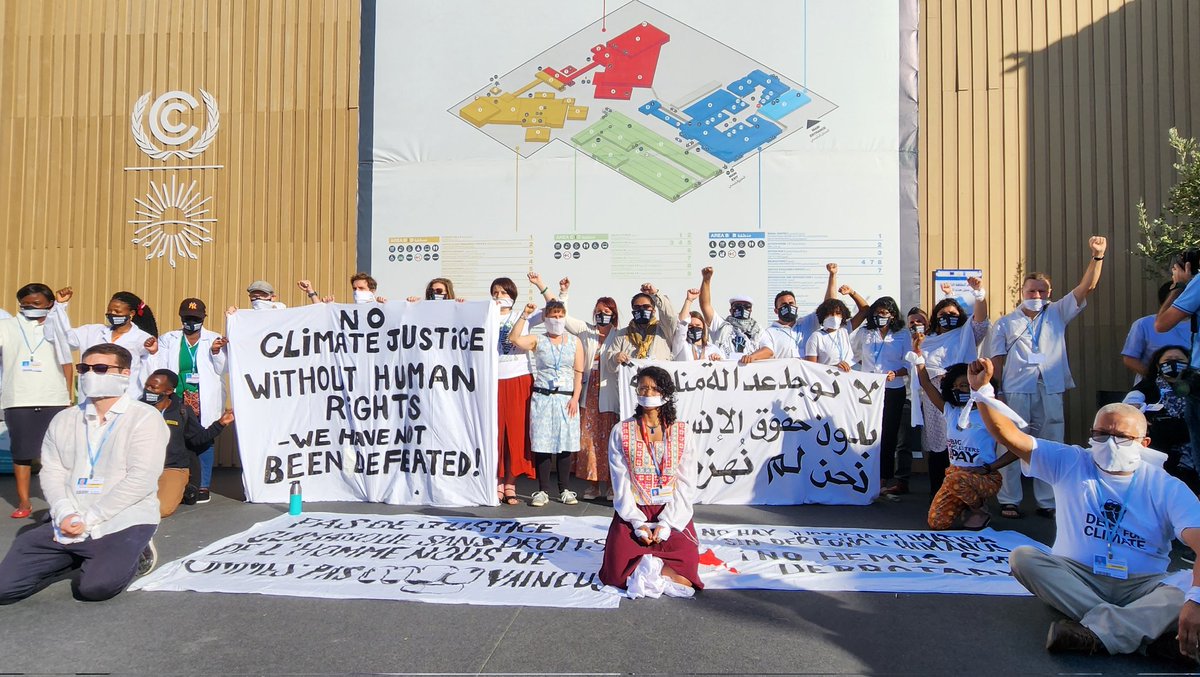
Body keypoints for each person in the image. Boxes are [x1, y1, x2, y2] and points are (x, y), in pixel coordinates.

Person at [969, 357, 1200, 662]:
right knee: (1023, 558)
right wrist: (983, 392)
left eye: (1122, 437)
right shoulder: (1072, 461)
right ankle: (1142, 637)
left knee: (1187, 589)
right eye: (1101, 434)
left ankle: (1095, 632)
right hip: (1078, 576)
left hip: (1143, 585)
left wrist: (1194, 601)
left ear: (1144, 442)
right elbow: (1010, 437)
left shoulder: (1166, 486)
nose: (1110, 442)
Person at [0, 343, 169, 603]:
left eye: (100, 368)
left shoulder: (144, 418)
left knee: (95, 589)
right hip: (69, 519)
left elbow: (141, 479)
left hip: (121, 519)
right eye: (84, 368)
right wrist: (64, 511)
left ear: (124, 375)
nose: (89, 374)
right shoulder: (64, 419)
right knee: (4, 588)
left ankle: (138, 550)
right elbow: (52, 471)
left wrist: (90, 518)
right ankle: (77, 554)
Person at [986, 236, 1107, 519]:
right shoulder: (1006, 322)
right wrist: (999, 391)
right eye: (1032, 291)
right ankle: (1009, 499)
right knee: (1011, 442)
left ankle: (1047, 501)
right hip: (1016, 390)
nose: (1037, 295)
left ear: (1049, 292)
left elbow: (1086, 287)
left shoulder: (1057, 312)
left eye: (1042, 291)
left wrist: (1097, 257)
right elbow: (997, 359)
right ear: (1022, 293)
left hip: (1050, 388)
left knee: (1050, 444)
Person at [599, 365, 702, 596]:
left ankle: (652, 566)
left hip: (672, 508)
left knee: (687, 576)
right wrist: (636, 522)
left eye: (654, 389)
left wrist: (667, 523)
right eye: (643, 388)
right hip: (634, 507)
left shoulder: (682, 431)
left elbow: (686, 482)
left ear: (665, 393)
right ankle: (649, 564)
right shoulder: (621, 430)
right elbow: (620, 481)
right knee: (615, 575)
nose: (647, 393)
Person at [911, 350, 1016, 529]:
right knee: (937, 522)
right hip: (955, 476)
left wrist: (989, 467)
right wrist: (918, 356)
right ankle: (963, 504)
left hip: (984, 476)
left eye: (965, 385)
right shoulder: (952, 412)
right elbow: (927, 385)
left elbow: (1017, 449)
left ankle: (979, 509)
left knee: (957, 480)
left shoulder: (990, 415)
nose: (961, 390)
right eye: (957, 386)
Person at [910, 276, 991, 496]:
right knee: (938, 448)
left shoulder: (967, 333)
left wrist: (979, 293)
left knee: (962, 443)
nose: (948, 318)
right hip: (934, 397)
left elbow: (982, 319)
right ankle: (938, 494)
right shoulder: (927, 339)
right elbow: (920, 366)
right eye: (943, 315)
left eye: (953, 315)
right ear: (936, 319)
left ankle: (965, 495)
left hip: (962, 395)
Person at [0, 283, 72, 519]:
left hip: (54, 398)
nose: (30, 308)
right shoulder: (7, 326)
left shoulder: (56, 326)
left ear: (49, 304)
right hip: (18, 398)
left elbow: (67, 362)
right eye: (25, 304)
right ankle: (24, 501)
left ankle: (60, 503)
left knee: (56, 455)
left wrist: (67, 395)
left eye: (36, 304)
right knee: (21, 453)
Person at [146, 299, 228, 504]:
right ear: (181, 318)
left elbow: (223, 369)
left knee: (204, 438)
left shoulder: (213, 339)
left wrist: (216, 352)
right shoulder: (169, 339)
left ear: (203, 319)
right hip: (178, 395)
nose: (191, 322)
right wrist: (154, 352)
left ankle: (203, 485)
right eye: (187, 318)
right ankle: (182, 482)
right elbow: (160, 368)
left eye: (196, 319)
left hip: (202, 396)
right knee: (177, 437)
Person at [509, 300, 584, 507]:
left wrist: (575, 397)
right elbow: (514, 339)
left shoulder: (574, 341)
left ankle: (565, 489)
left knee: (564, 444)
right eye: (553, 316)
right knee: (542, 444)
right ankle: (542, 490)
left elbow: (579, 372)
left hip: (566, 398)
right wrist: (524, 315)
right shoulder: (538, 340)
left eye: (560, 316)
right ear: (546, 318)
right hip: (543, 397)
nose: (557, 320)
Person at [141, 369, 234, 517]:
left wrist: (221, 423)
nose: (148, 390)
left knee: (161, 509)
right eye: (147, 386)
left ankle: (182, 488)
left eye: (154, 387)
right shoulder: (136, 408)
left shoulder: (182, 411)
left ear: (169, 391)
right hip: (141, 467)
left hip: (172, 468)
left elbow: (198, 439)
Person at [559, 282, 620, 500]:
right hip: (589, 394)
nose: (601, 314)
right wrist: (563, 293)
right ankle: (593, 485)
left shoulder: (620, 334)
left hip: (610, 395)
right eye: (598, 311)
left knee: (610, 441)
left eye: (606, 311)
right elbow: (562, 318)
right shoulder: (586, 331)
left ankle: (613, 485)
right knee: (589, 440)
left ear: (613, 314)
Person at [45, 290, 158, 399]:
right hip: (91, 398)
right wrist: (59, 306)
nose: (112, 314)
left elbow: (149, 370)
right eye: (110, 311)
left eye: (117, 312)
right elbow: (59, 337)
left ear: (131, 313)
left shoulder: (142, 338)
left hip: (126, 398)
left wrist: (153, 352)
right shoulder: (92, 331)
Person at [851, 296, 912, 495]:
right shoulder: (865, 333)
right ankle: (864, 474)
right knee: (867, 431)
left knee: (887, 434)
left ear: (892, 315)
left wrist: (897, 373)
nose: (880, 316)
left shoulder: (903, 335)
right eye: (876, 313)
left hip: (893, 389)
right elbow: (852, 355)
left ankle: (883, 477)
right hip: (868, 390)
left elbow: (909, 363)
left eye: (884, 313)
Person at [1123, 346, 1194, 484]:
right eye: (1168, 360)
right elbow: (1128, 407)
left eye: (1179, 360)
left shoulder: (1195, 387)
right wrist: (1135, 412)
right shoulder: (1146, 387)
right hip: (1158, 454)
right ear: (1158, 364)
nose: (1173, 363)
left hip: (1192, 453)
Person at [698, 267, 773, 365]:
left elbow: (769, 351)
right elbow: (705, 305)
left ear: (751, 310)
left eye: (746, 306)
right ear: (730, 310)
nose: (742, 309)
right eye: (738, 306)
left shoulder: (758, 330)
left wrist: (751, 357)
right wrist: (706, 280)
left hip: (748, 374)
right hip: (725, 374)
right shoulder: (721, 325)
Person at [765, 263, 840, 359]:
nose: (788, 306)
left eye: (791, 303)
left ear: (796, 307)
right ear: (776, 311)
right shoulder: (769, 333)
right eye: (783, 305)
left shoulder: (808, 322)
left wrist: (832, 275)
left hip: (809, 373)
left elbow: (829, 305)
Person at [1123, 282, 1190, 383]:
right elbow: (1130, 359)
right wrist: (1153, 377)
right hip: (1151, 391)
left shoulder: (1196, 324)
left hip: (1192, 390)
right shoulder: (1143, 324)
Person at [604, 284, 678, 368]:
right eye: (637, 307)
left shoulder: (663, 329)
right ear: (633, 310)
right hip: (634, 379)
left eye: (646, 307)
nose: (641, 309)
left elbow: (670, 317)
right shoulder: (623, 334)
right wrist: (615, 357)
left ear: (653, 310)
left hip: (658, 378)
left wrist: (655, 294)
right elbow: (609, 365)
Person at [674, 290, 725, 362]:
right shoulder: (681, 345)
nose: (694, 328)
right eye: (690, 326)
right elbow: (682, 324)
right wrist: (689, 300)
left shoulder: (713, 348)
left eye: (698, 325)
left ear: (703, 328)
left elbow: (724, 366)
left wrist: (718, 359)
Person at [804, 298, 855, 370]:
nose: (834, 317)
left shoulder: (844, 330)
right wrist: (835, 368)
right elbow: (811, 369)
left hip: (847, 379)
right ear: (823, 316)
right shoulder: (816, 337)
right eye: (830, 314)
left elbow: (864, 311)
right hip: (827, 379)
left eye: (838, 313)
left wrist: (852, 293)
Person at [298, 274, 387, 304]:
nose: (357, 292)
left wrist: (384, 307)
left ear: (372, 290)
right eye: (354, 289)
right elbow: (321, 314)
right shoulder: (349, 312)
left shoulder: (382, 306)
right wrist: (310, 291)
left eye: (361, 288)